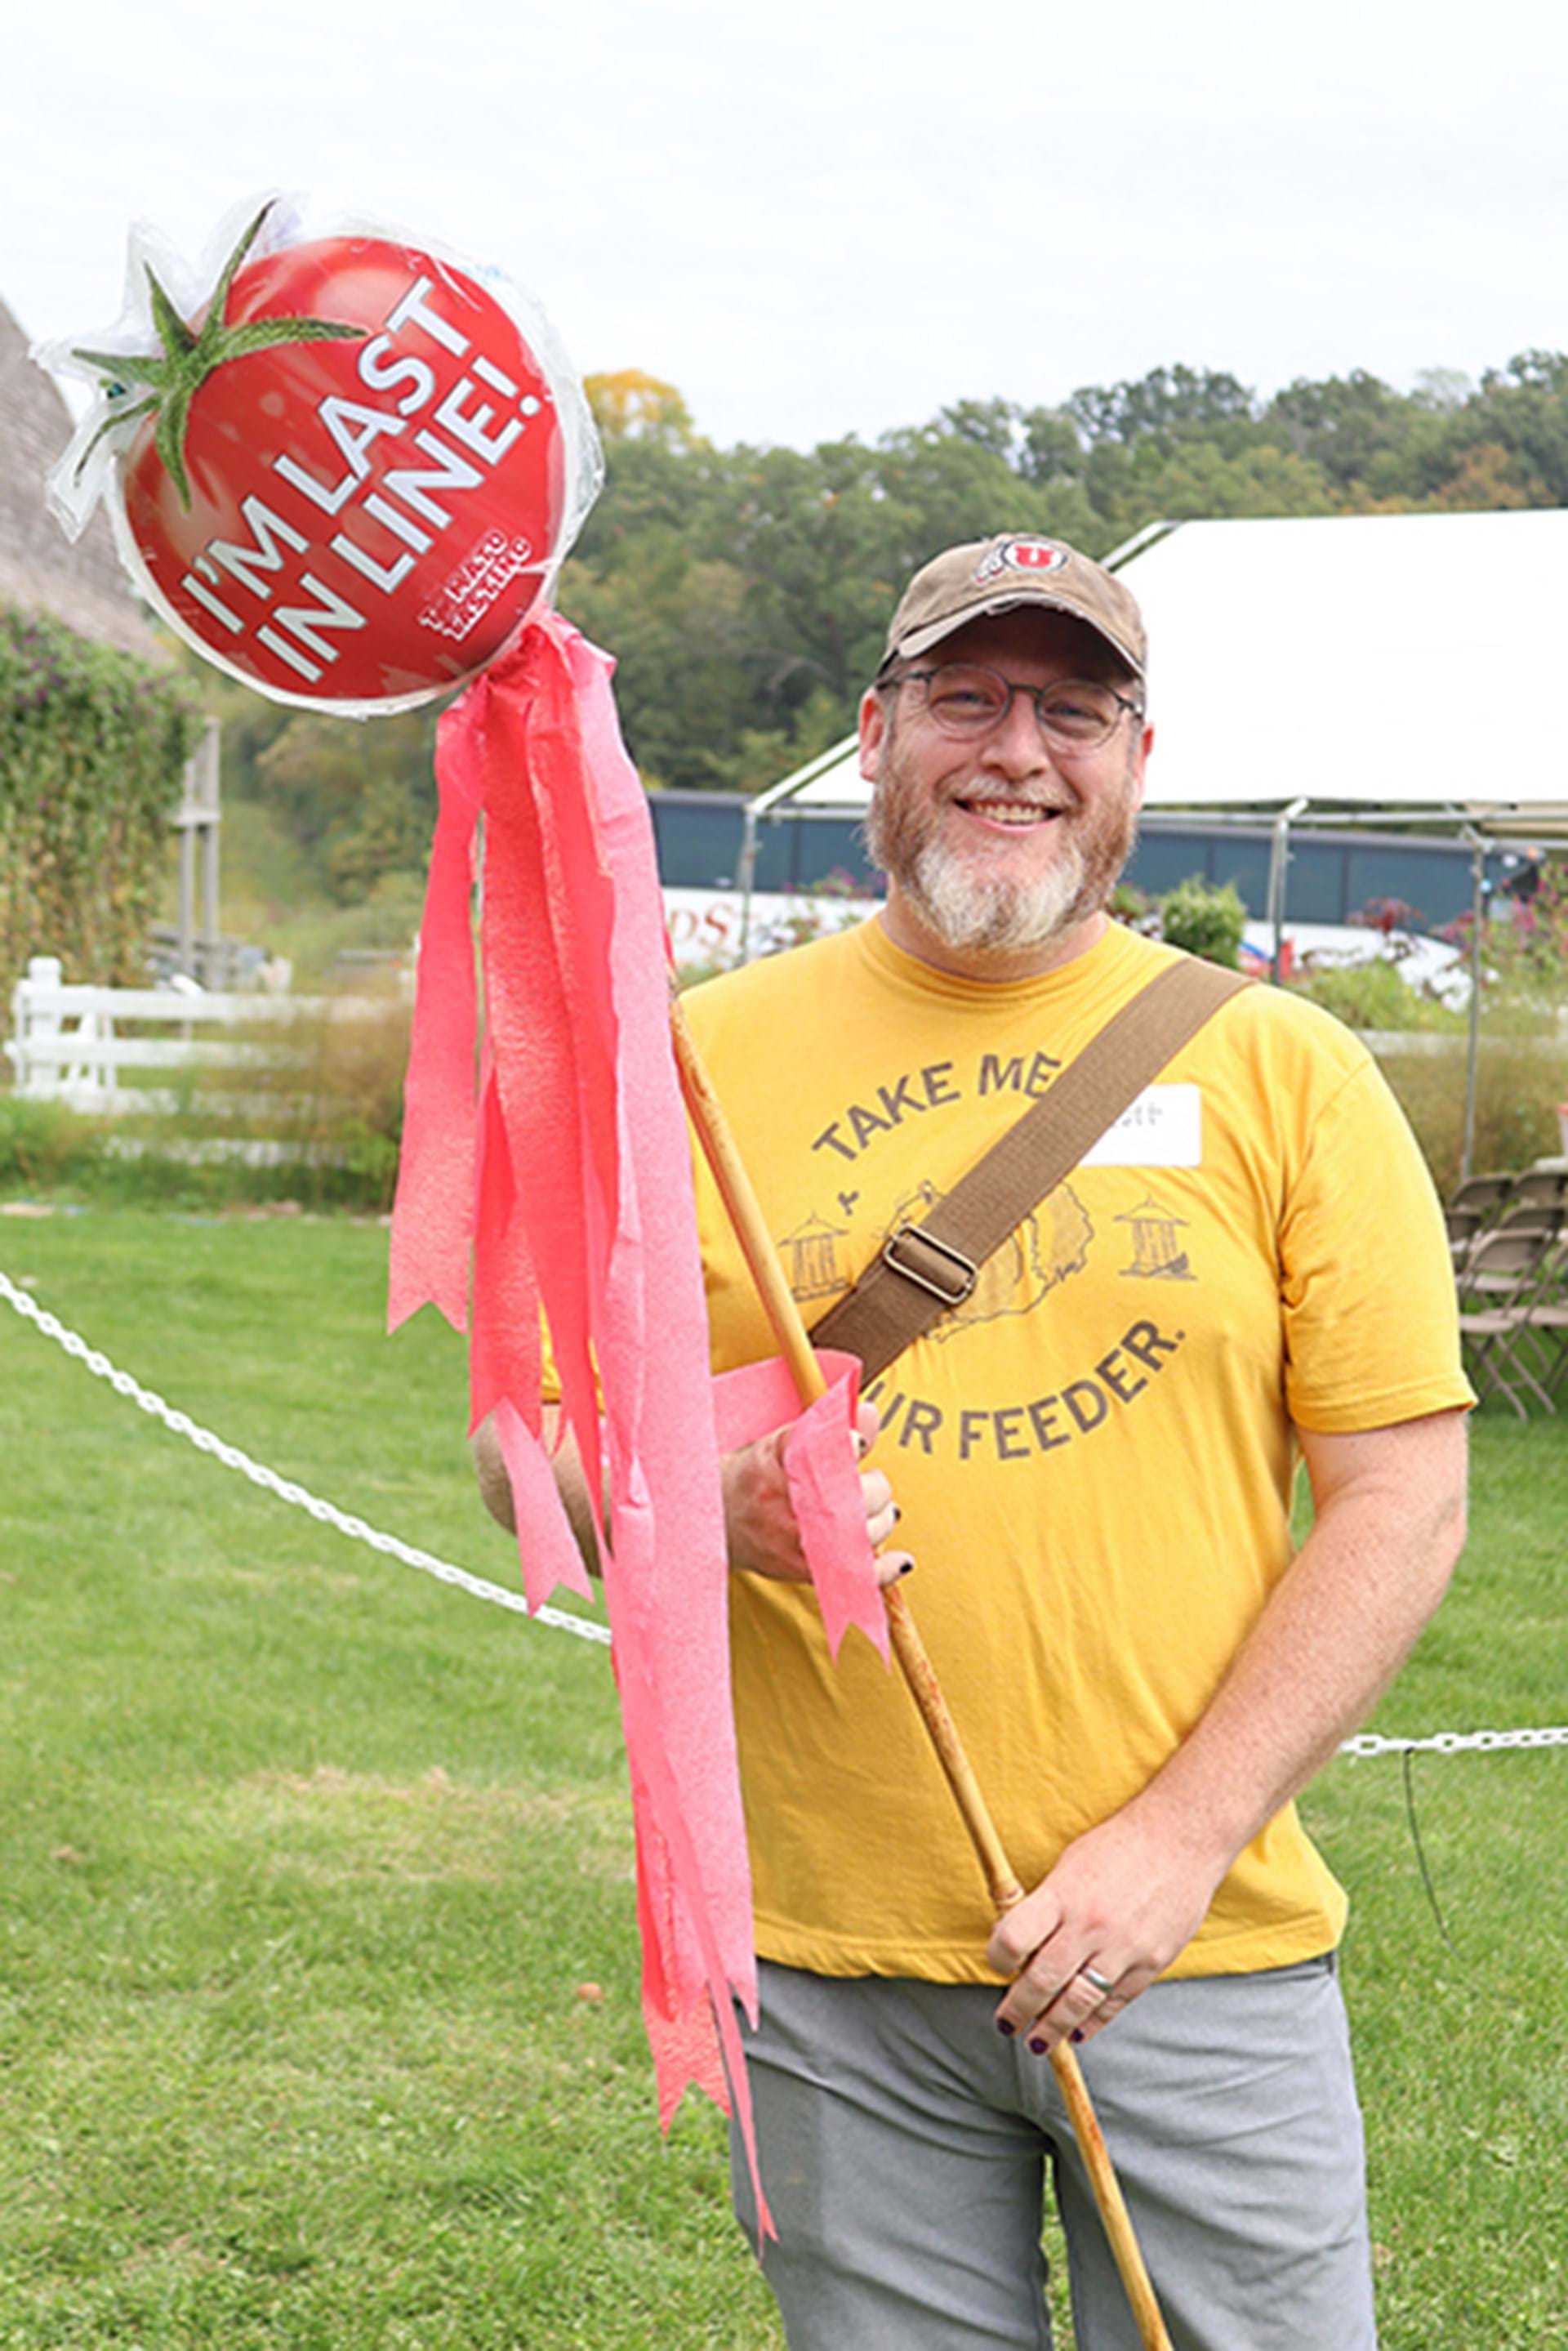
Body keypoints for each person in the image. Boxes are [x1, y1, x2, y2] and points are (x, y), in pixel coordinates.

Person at [476, 533, 1472, 2351]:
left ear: (1137, 763)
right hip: (820, 1961)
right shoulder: (688, 1061)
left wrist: (1176, 1840)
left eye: (1072, 708)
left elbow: (1404, 1495)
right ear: (875, 730)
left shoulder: (1286, 1069)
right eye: (967, 697)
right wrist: (699, 1501)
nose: (1018, 746)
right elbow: (523, 1435)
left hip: (1196, 1943)